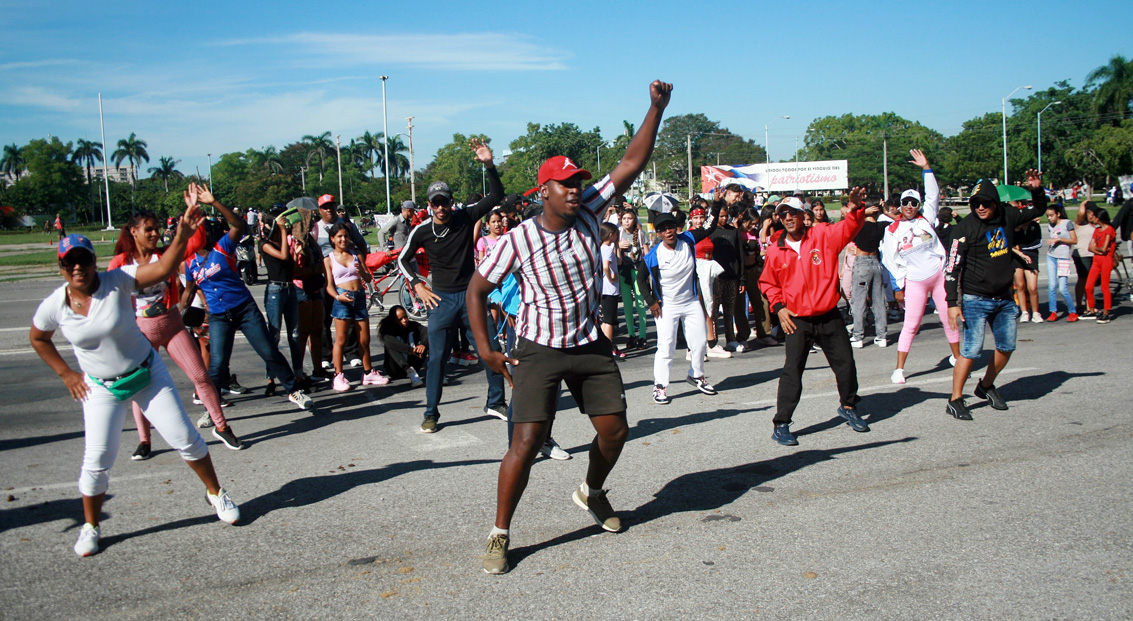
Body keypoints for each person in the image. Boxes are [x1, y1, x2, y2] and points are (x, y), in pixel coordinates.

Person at [467, 80, 673, 574]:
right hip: (537, 348)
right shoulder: (515, 240)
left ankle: (592, 491)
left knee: (615, 431)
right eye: (567, 184)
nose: (578, 189)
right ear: (545, 192)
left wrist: (655, 109)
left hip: (588, 345)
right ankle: (499, 534)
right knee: (526, 441)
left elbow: (630, 163)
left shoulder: (590, 212)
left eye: (580, 182)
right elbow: (476, 292)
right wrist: (487, 351)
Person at [29, 208, 240, 558]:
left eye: (83, 260)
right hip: (101, 388)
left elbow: (161, 269)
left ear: (95, 261)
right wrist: (66, 373)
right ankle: (91, 525)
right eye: (70, 263)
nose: (77, 268)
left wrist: (182, 236)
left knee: (185, 438)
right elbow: (38, 338)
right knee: (97, 460)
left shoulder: (118, 279)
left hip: (146, 374)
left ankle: (216, 493)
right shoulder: (56, 305)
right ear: (61, 267)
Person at [107, 211, 242, 456]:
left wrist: (194, 211)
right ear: (133, 231)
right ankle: (145, 440)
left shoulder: (164, 256)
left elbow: (195, 242)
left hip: (171, 327)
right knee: (139, 385)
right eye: (148, 229)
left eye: (156, 228)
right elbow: (106, 296)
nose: (155, 233)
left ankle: (221, 426)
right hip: (141, 333)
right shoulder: (121, 263)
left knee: (201, 376)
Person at [398, 139, 507, 432]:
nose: (441, 207)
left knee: (491, 348)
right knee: (437, 359)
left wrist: (489, 164)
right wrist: (418, 285)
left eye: (444, 201)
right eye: (435, 202)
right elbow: (402, 260)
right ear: (429, 205)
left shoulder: (464, 217)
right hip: (441, 300)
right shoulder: (421, 231)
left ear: (450, 201)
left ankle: (496, 402)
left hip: (471, 297)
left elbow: (497, 194)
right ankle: (430, 413)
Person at [181, 183, 313, 411]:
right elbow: (189, 291)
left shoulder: (221, 249)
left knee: (268, 351)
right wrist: (178, 312)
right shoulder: (190, 263)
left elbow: (239, 225)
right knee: (218, 364)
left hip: (244, 309)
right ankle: (212, 410)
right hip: (218, 316)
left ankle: (294, 390)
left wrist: (213, 202)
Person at [759, 188, 871, 446]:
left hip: (828, 315)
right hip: (796, 319)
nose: (787, 217)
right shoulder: (777, 250)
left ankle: (849, 406)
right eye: (782, 214)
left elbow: (851, 226)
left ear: (803, 215)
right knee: (792, 371)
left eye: (792, 213)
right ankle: (782, 423)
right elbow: (767, 283)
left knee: (845, 364)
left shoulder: (823, 235)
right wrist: (779, 308)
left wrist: (856, 208)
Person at [943, 171, 1046, 420]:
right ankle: (955, 399)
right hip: (975, 298)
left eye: (986, 203)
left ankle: (986, 385)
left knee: (1007, 346)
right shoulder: (964, 228)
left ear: (995, 203)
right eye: (976, 203)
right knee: (971, 350)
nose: (980, 207)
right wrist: (951, 303)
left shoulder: (1008, 216)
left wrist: (1036, 189)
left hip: (1004, 298)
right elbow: (952, 267)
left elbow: (1039, 209)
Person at [879, 150, 961, 384]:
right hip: (914, 281)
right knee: (912, 324)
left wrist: (926, 168)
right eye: (905, 202)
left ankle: (957, 357)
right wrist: (898, 286)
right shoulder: (892, 230)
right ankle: (899, 369)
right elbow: (890, 260)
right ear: (900, 205)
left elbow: (933, 195)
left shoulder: (927, 219)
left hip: (937, 276)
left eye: (914, 203)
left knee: (948, 318)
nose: (909, 206)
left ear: (918, 205)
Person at [638, 208, 719, 404]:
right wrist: (651, 301)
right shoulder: (654, 255)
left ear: (677, 228)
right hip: (667, 306)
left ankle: (696, 375)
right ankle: (660, 386)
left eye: (671, 227)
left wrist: (716, 204)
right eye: (663, 229)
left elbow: (709, 227)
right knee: (666, 346)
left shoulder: (688, 239)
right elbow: (640, 278)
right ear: (658, 233)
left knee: (699, 343)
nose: (669, 231)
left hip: (690, 302)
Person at [324, 222, 388, 390]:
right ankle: (338, 375)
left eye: (345, 236)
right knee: (341, 339)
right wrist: (338, 296)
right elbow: (329, 285)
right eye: (339, 237)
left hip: (359, 296)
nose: (343, 239)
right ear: (333, 239)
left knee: (364, 339)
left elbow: (367, 278)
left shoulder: (356, 255)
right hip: (342, 298)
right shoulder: (329, 259)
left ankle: (368, 373)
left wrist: (362, 273)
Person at [312, 194, 366, 370]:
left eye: (331, 206)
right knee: (325, 317)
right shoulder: (315, 228)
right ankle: (326, 354)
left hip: (347, 275)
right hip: (325, 277)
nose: (329, 209)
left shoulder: (347, 224)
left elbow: (360, 243)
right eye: (325, 207)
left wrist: (361, 264)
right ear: (319, 210)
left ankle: (351, 353)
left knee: (350, 317)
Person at [259, 210, 303, 396]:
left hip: (289, 287)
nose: (285, 228)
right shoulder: (265, 244)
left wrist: (296, 253)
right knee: (274, 334)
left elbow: (289, 264)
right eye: (282, 225)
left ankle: (298, 374)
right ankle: (271, 378)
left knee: (294, 334)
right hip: (275, 290)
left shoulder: (281, 243)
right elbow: (283, 256)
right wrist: (283, 233)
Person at [849, 198, 888, 348]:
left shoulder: (860, 225)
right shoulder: (881, 226)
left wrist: (863, 212)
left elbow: (848, 217)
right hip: (875, 262)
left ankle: (858, 336)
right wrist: (883, 211)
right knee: (878, 301)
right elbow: (897, 220)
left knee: (859, 301)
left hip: (862, 261)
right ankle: (881, 335)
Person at [617, 209, 650, 351]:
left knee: (640, 303)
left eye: (629, 218)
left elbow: (647, 254)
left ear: (634, 219)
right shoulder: (618, 234)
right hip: (623, 271)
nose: (626, 221)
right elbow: (610, 251)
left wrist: (648, 273)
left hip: (637, 270)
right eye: (624, 218)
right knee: (627, 305)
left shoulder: (641, 234)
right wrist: (618, 246)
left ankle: (642, 335)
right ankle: (631, 334)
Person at [1043, 203, 1079, 322]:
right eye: (1048, 216)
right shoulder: (1050, 226)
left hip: (1063, 258)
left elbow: (1074, 240)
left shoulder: (1066, 223)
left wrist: (1059, 239)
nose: (1049, 218)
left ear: (1058, 214)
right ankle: (1053, 311)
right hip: (1051, 256)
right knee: (1052, 285)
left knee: (1063, 288)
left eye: (1051, 215)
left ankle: (1072, 311)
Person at [1011, 199, 1044, 323]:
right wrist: (1018, 230)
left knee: (1032, 287)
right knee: (1020, 285)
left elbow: (1038, 243)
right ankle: (1024, 311)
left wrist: (1023, 249)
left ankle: (1036, 312)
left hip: (1031, 257)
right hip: (1017, 258)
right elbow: (1011, 244)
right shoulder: (1015, 228)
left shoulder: (1034, 226)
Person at [1083, 206, 1116, 324]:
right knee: (1088, 286)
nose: (1093, 218)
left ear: (1100, 218)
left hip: (1106, 260)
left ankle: (1106, 311)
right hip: (1097, 260)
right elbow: (1091, 247)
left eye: (1095, 217)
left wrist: (1096, 249)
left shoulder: (1109, 230)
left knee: (1104, 286)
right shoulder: (1097, 230)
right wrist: (1098, 250)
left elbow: (1104, 249)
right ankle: (1091, 309)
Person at [379, 305, 427, 386]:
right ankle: (410, 372)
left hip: (415, 364)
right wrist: (410, 350)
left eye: (405, 317)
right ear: (394, 320)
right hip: (396, 369)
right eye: (400, 319)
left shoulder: (413, 326)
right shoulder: (388, 330)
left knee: (429, 342)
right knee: (389, 345)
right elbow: (389, 341)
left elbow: (427, 332)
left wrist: (423, 344)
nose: (404, 320)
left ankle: (437, 371)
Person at [599, 222, 624, 359]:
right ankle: (608, 349)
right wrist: (611, 277)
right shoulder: (607, 249)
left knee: (605, 320)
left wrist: (617, 246)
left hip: (603, 289)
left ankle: (604, 347)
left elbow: (619, 262)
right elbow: (606, 266)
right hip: (610, 289)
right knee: (609, 321)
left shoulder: (604, 248)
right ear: (611, 235)